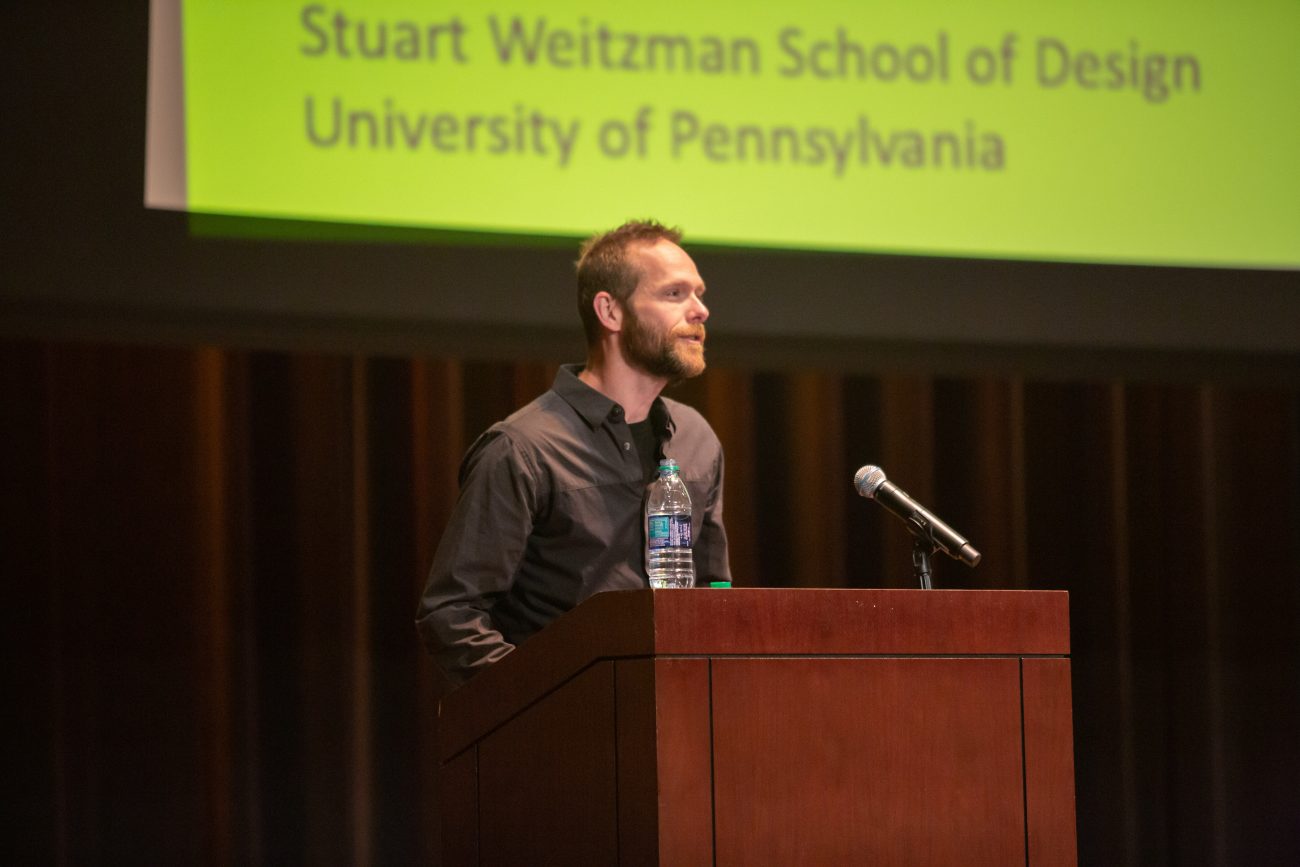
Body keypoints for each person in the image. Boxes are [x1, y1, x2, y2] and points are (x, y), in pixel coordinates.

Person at [416, 219, 732, 687]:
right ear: (610, 311)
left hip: (677, 719)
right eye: (674, 294)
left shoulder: (696, 438)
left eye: (699, 293)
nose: (700, 310)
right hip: (569, 734)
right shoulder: (523, 449)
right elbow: (452, 615)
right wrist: (550, 698)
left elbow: (713, 593)